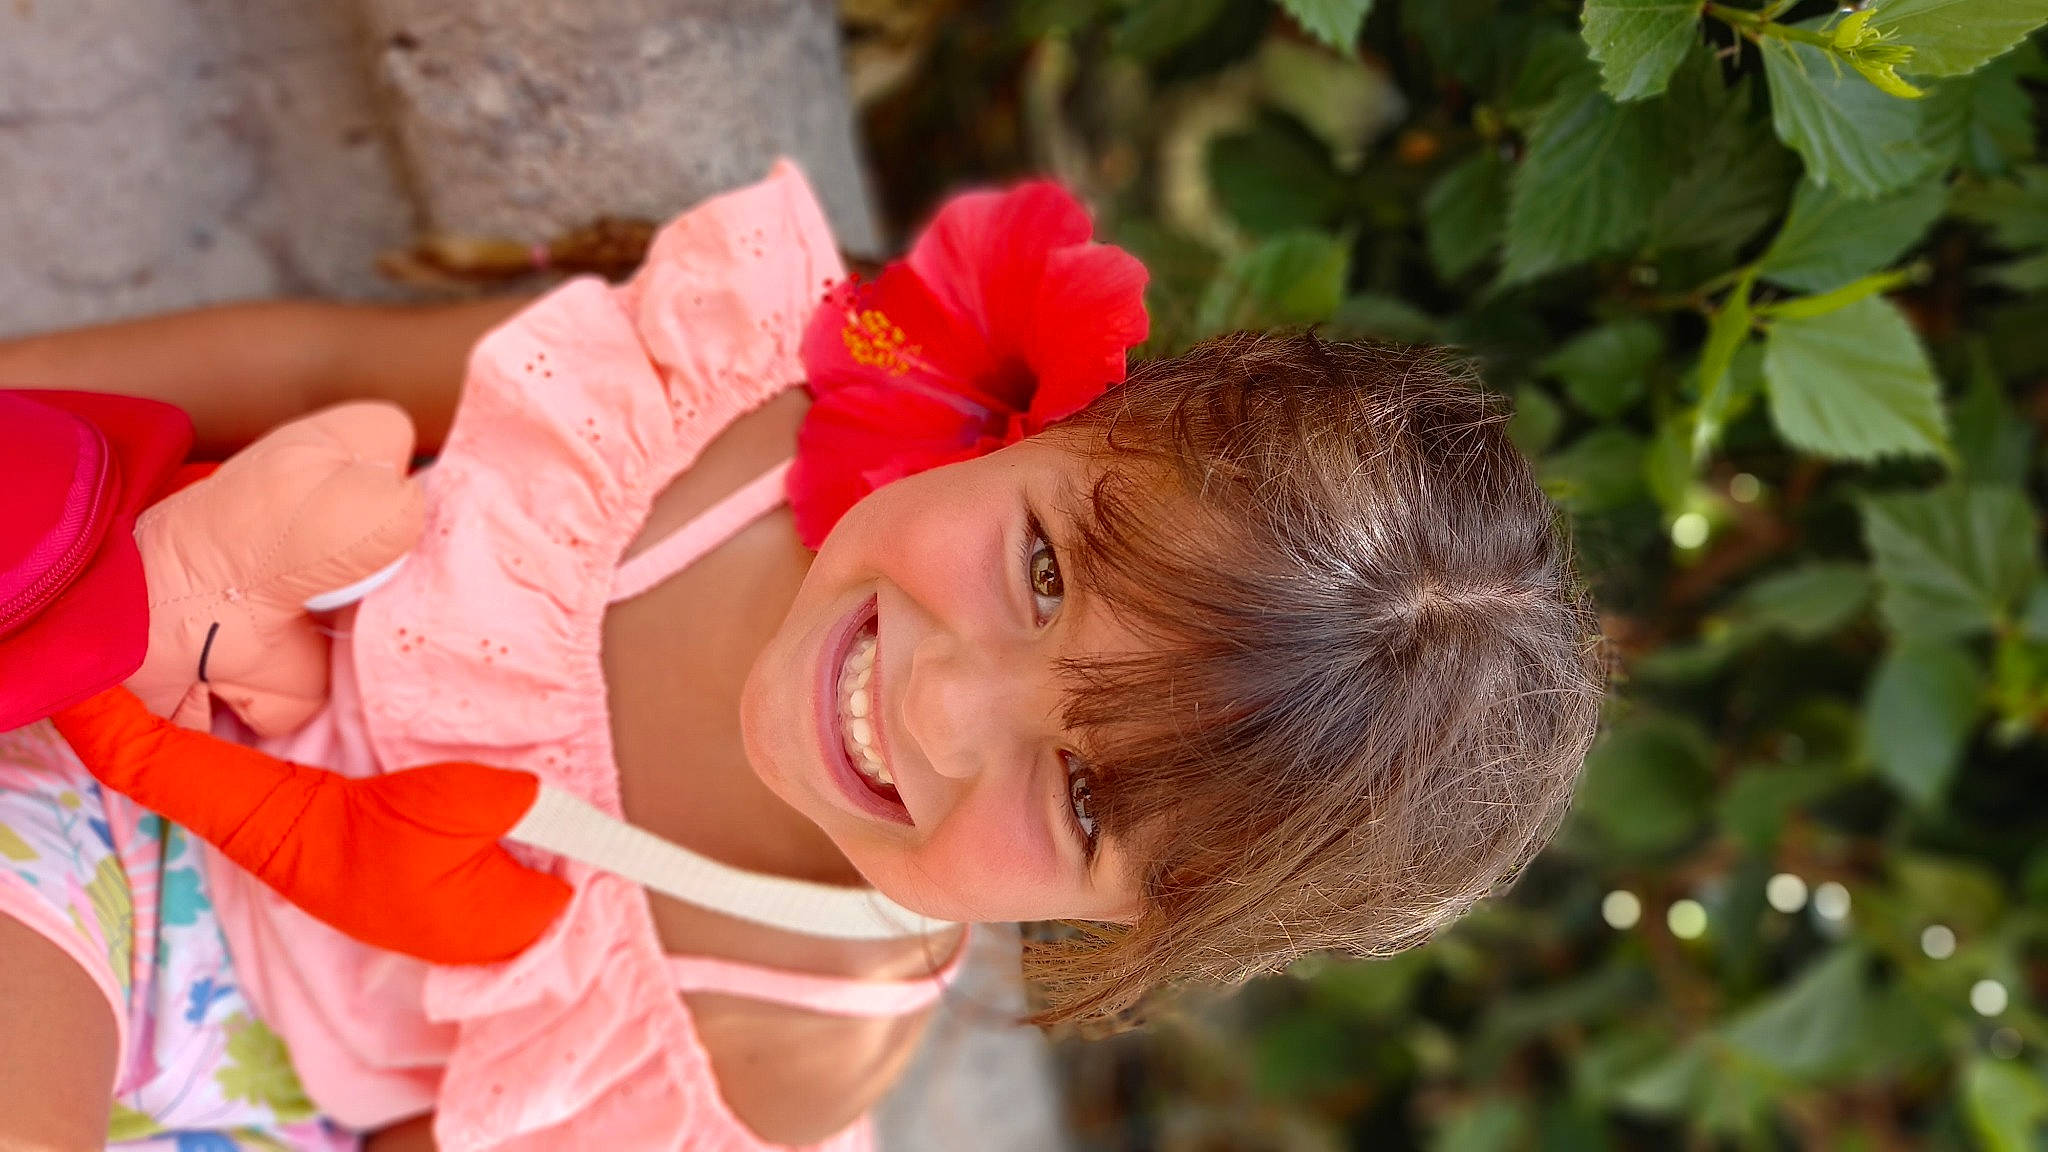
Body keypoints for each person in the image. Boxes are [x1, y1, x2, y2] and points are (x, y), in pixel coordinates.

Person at [0, 162, 1606, 1151]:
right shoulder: (719, 424)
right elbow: (318, 363)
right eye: (1040, 566)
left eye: (1079, 795)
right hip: (83, 714)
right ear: (1065, 424)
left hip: (227, 1075)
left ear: (1122, 928)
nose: (939, 696)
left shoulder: (785, 1036)